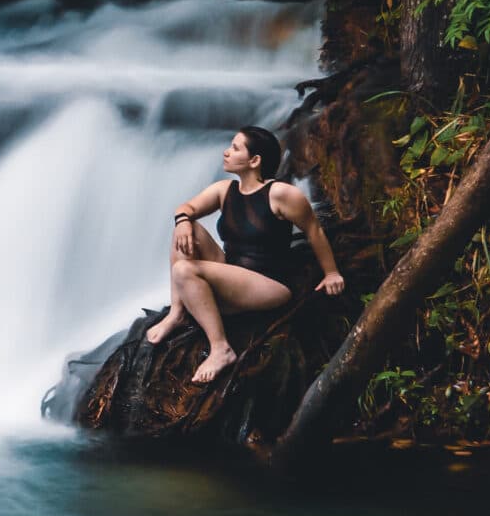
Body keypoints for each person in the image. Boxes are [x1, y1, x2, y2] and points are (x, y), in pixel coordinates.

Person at [142, 125, 345, 385]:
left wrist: (331, 273)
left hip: (269, 284)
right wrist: (182, 220)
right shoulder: (225, 190)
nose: (226, 152)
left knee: (184, 270)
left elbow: (314, 230)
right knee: (186, 229)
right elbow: (187, 208)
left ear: (254, 160)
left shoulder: (282, 194)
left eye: (235, 148)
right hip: (231, 272)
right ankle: (177, 313)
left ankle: (220, 349)